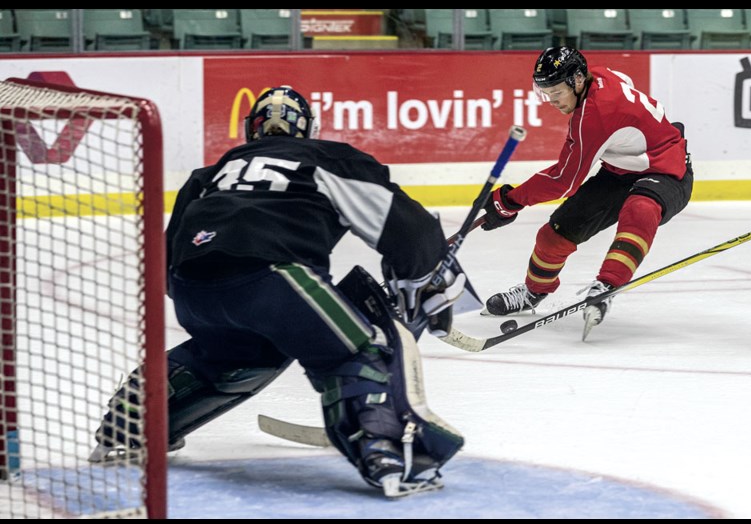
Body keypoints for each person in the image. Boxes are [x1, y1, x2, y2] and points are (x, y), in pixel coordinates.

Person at [89, 86, 469, 497]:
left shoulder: (210, 175)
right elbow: (409, 229)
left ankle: (129, 425)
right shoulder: (326, 158)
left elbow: (165, 264)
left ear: (250, 130)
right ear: (309, 129)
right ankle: (392, 456)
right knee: (361, 349)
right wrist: (424, 278)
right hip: (276, 279)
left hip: (192, 290)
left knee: (240, 357)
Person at [482, 46, 693, 340]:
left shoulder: (593, 116)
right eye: (545, 93)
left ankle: (607, 285)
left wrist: (510, 200)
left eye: (556, 92)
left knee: (640, 209)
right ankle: (534, 291)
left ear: (578, 80)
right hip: (620, 171)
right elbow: (627, 89)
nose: (552, 101)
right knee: (552, 236)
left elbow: (562, 181)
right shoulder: (601, 77)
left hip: (668, 170)